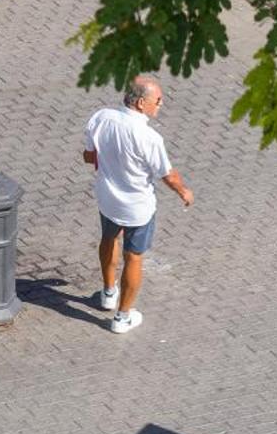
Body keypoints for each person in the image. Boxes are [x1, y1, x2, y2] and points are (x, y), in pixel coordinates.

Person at [82, 75, 194, 334]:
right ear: (142, 103)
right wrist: (183, 191)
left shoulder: (101, 118)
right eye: (158, 100)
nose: (161, 104)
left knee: (109, 238)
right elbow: (167, 174)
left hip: (108, 199)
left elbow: (89, 156)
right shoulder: (149, 137)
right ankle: (122, 317)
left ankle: (109, 292)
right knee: (133, 257)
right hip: (137, 208)